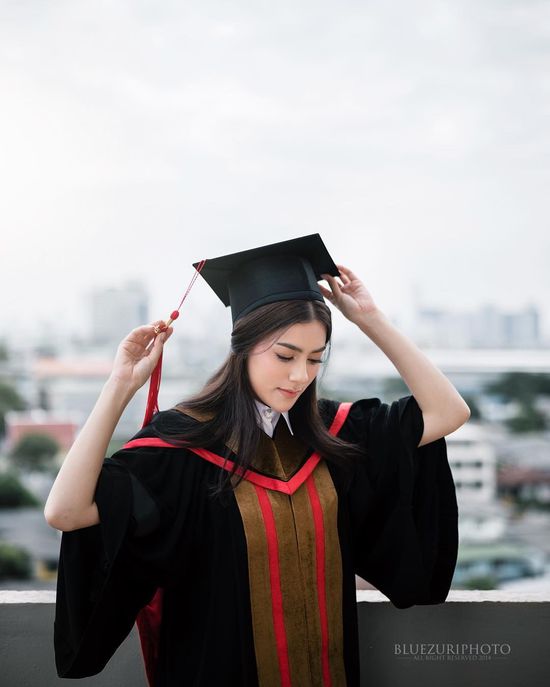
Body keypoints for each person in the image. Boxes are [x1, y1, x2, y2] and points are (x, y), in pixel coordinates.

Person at [44, 234, 469, 687]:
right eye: (285, 355)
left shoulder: (336, 435)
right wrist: (119, 386)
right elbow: (65, 511)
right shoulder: (182, 449)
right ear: (243, 345)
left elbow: (449, 412)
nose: (299, 376)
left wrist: (370, 319)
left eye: (314, 360)